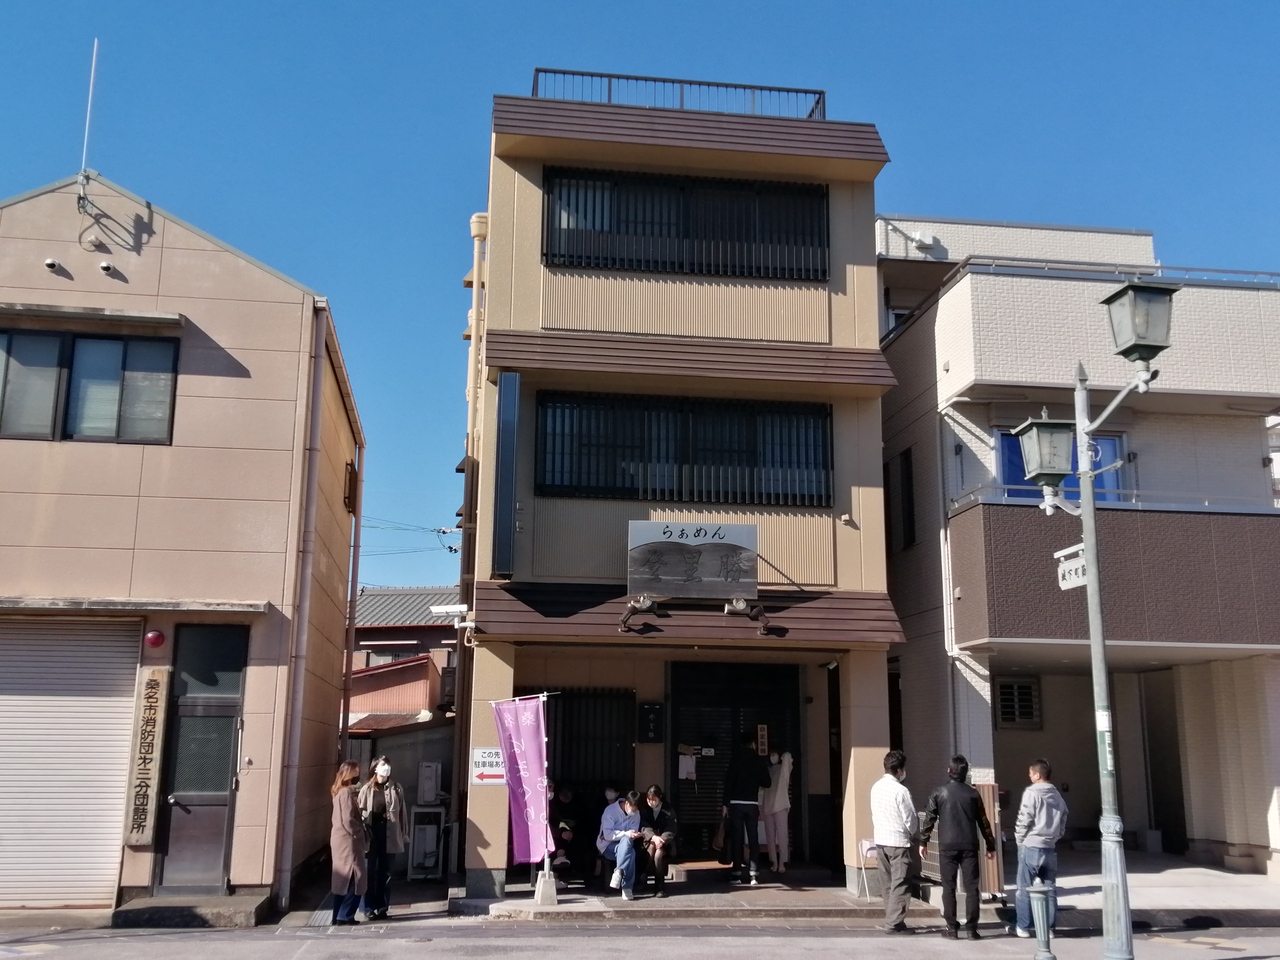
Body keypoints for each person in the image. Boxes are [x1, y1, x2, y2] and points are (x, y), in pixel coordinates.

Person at [918, 755, 997, 940]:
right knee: (972, 888)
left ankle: (952, 928)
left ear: (949, 771)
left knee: (949, 887)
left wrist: (923, 841)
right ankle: (972, 929)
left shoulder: (939, 792)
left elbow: (929, 818)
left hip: (947, 846)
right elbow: (983, 821)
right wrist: (990, 845)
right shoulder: (973, 794)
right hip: (969, 845)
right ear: (966, 772)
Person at [1013, 759, 1069, 938]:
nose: (1029, 776)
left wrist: (1019, 839)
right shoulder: (1057, 795)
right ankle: (1048, 928)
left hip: (1031, 845)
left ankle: (1023, 926)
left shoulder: (1032, 793)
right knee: (1049, 889)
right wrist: (1055, 837)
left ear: (1037, 775)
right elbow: (1064, 818)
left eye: (1031, 773)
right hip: (1050, 847)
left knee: (1024, 888)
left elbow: (1024, 818)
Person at [870, 749, 918, 935]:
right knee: (901, 883)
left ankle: (893, 918)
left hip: (881, 840)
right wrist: (912, 832)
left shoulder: (876, 787)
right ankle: (894, 923)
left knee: (888, 884)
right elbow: (910, 819)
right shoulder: (901, 790)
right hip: (898, 841)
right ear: (899, 770)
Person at [357, 756, 408, 921]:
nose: (386, 768)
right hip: (371, 835)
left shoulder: (396, 788)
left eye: (388, 764)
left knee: (386, 873)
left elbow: (402, 813)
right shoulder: (367, 789)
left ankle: (382, 907)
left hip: (390, 834)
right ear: (375, 768)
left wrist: (403, 834)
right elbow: (359, 812)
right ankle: (368, 907)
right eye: (383, 764)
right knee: (369, 872)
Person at [721, 730, 771, 885]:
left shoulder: (735, 758)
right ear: (754, 743)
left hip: (736, 803)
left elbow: (728, 781)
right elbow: (767, 782)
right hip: (752, 804)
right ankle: (754, 874)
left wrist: (725, 804)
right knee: (753, 838)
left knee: (737, 838)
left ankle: (736, 874)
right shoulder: (758, 759)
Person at [329, 760, 367, 926]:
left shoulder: (338, 791)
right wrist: (359, 833)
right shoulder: (345, 793)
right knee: (355, 876)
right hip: (348, 840)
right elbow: (348, 819)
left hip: (340, 839)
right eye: (356, 771)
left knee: (342, 879)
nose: (358, 774)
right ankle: (345, 915)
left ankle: (338, 914)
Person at [597, 789, 644, 900]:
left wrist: (631, 835)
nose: (634, 811)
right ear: (626, 803)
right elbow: (607, 835)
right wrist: (625, 833)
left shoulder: (636, 814)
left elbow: (632, 833)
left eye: (636, 809)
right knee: (630, 852)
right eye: (633, 808)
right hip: (607, 846)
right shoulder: (610, 810)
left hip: (624, 846)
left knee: (629, 847)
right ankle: (627, 888)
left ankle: (619, 871)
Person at [639, 784, 678, 897]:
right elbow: (643, 825)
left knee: (658, 854)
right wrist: (653, 837)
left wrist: (662, 839)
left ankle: (659, 886)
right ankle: (644, 876)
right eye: (648, 800)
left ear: (660, 797)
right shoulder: (645, 810)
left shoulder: (668, 810)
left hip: (665, 843)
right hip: (649, 840)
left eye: (653, 800)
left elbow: (672, 828)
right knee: (651, 848)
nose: (651, 802)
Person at [761, 745, 793, 874]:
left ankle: (782, 862)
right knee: (770, 836)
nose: (772, 756)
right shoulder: (769, 770)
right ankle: (774, 861)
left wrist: (783, 755)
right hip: (768, 805)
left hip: (780, 805)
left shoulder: (784, 769)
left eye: (774, 754)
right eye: (771, 754)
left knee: (782, 835)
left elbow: (788, 758)